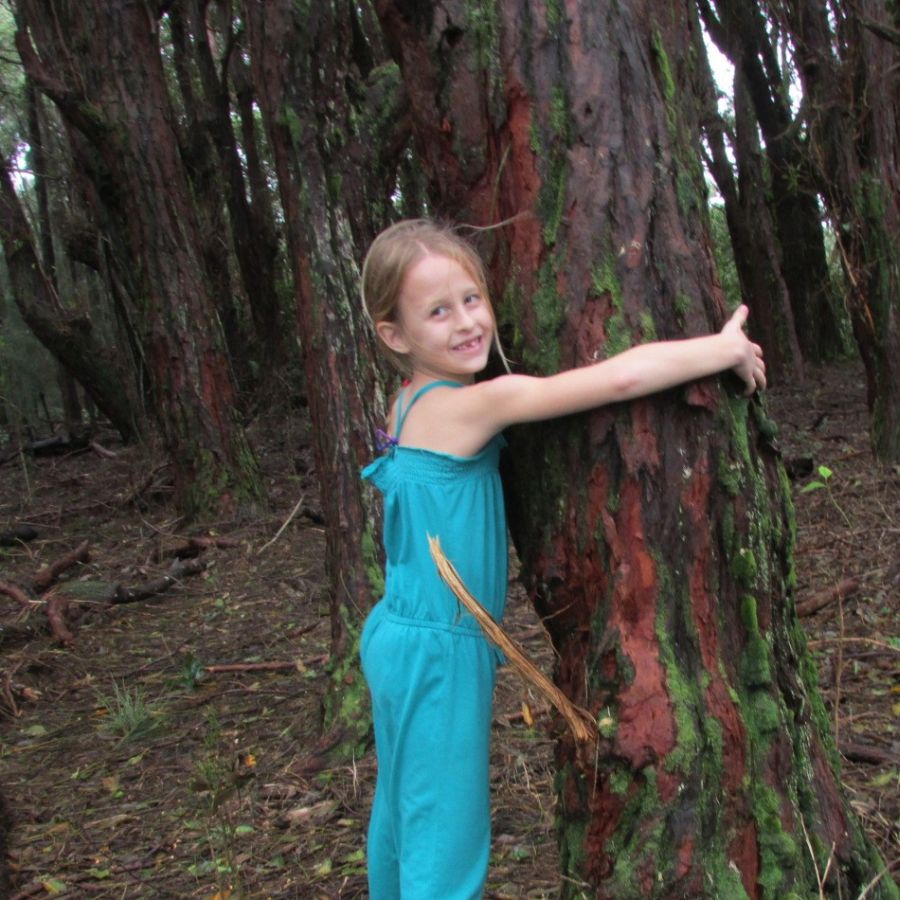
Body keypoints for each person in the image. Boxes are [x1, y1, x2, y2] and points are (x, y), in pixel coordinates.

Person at [358, 218, 765, 899]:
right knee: (444, 832)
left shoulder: (409, 403)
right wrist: (720, 350)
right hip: (438, 656)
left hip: (397, 634)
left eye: (472, 299)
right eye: (437, 311)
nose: (466, 323)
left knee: (404, 811)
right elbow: (615, 380)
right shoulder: (474, 405)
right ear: (394, 335)